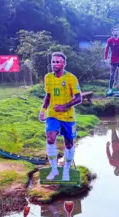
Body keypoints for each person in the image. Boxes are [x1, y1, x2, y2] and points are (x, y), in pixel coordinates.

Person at [39, 52, 82, 182]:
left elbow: (79, 98)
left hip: (68, 118)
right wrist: (43, 110)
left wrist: (64, 106)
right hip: (53, 115)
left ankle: (67, 170)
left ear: (64, 64)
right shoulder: (48, 77)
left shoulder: (71, 78)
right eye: (53, 62)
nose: (55, 64)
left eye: (58, 62)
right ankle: (54, 169)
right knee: (50, 138)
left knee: (69, 144)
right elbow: (48, 95)